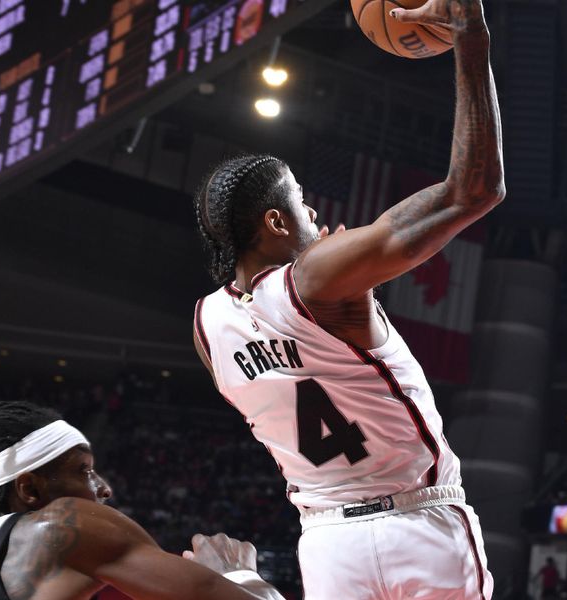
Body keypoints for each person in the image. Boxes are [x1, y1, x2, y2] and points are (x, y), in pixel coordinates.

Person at [192, 0, 504, 596]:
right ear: (278, 224)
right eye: (303, 203)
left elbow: (300, 358)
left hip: (328, 541)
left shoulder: (207, 325)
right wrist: (472, 37)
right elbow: (477, 189)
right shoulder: (315, 279)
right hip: (419, 521)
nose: (316, 213)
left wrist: (338, 281)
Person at [0, 398, 284, 600]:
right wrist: (241, 575)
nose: (104, 488)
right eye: (84, 470)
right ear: (30, 490)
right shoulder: (62, 525)